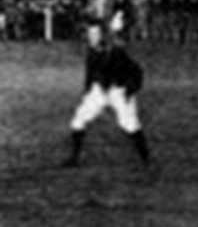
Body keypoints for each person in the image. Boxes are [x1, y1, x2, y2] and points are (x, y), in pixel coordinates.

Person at [62, 19, 152, 169]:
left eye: (95, 33)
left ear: (103, 35)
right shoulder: (92, 51)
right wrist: (87, 91)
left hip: (118, 90)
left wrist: (130, 90)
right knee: (79, 119)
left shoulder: (115, 52)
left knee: (129, 124)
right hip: (100, 89)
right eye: (90, 33)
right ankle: (74, 158)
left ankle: (146, 160)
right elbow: (90, 73)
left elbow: (136, 72)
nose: (92, 36)